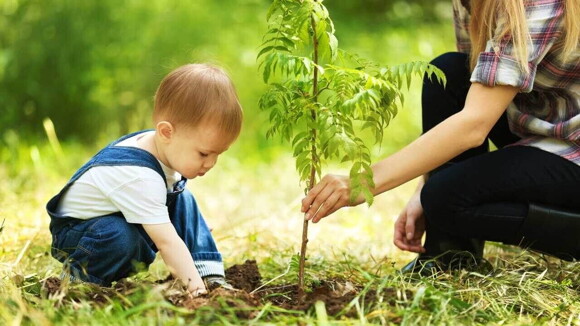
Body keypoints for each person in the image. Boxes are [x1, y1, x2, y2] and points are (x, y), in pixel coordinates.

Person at [301, 0, 579, 272]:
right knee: (447, 73)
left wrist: (362, 183)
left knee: (444, 199)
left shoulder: (534, 4)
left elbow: (474, 124)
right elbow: (475, 94)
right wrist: (425, 183)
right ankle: (449, 256)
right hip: (548, 130)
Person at [47, 63, 243, 295]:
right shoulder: (139, 176)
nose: (211, 163)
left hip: (111, 219)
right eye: (203, 153)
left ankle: (208, 272)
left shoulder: (162, 148)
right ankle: (78, 282)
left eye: (218, 154)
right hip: (79, 236)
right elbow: (167, 242)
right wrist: (195, 291)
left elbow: (179, 215)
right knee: (121, 237)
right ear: (166, 132)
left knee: (183, 199)